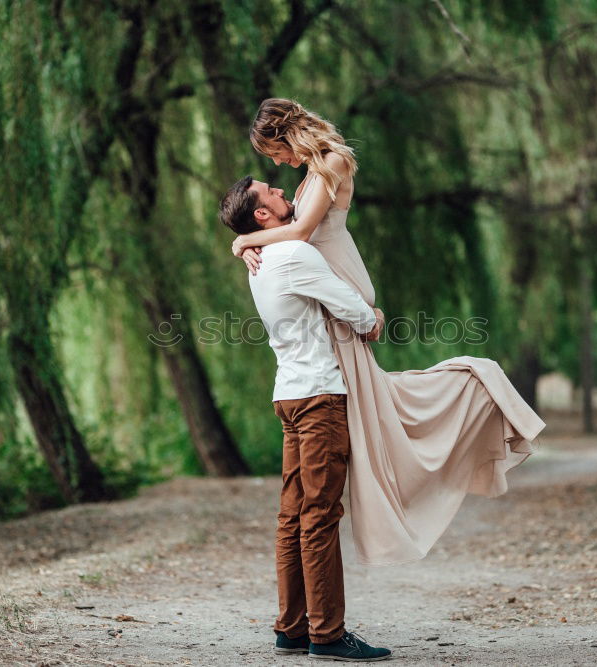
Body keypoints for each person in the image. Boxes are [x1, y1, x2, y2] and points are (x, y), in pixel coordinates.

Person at [230, 98, 547, 569]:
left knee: (379, 410)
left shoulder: (333, 162)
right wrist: (247, 244)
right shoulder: (308, 176)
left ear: (286, 134)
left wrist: (244, 241)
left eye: (272, 151)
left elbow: (298, 234)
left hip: (342, 307)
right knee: (374, 411)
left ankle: (477, 398)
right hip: (332, 312)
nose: (274, 162)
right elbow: (290, 236)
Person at [218, 176, 393, 661]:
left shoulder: (259, 260)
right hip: (319, 399)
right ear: (262, 215)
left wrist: (244, 245)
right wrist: (374, 318)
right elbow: (355, 312)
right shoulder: (294, 255)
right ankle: (327, 634)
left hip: (289, 397)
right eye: (273, 191)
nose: (284, 193)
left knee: (292, 516)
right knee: (319, 516)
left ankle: (291, 628)